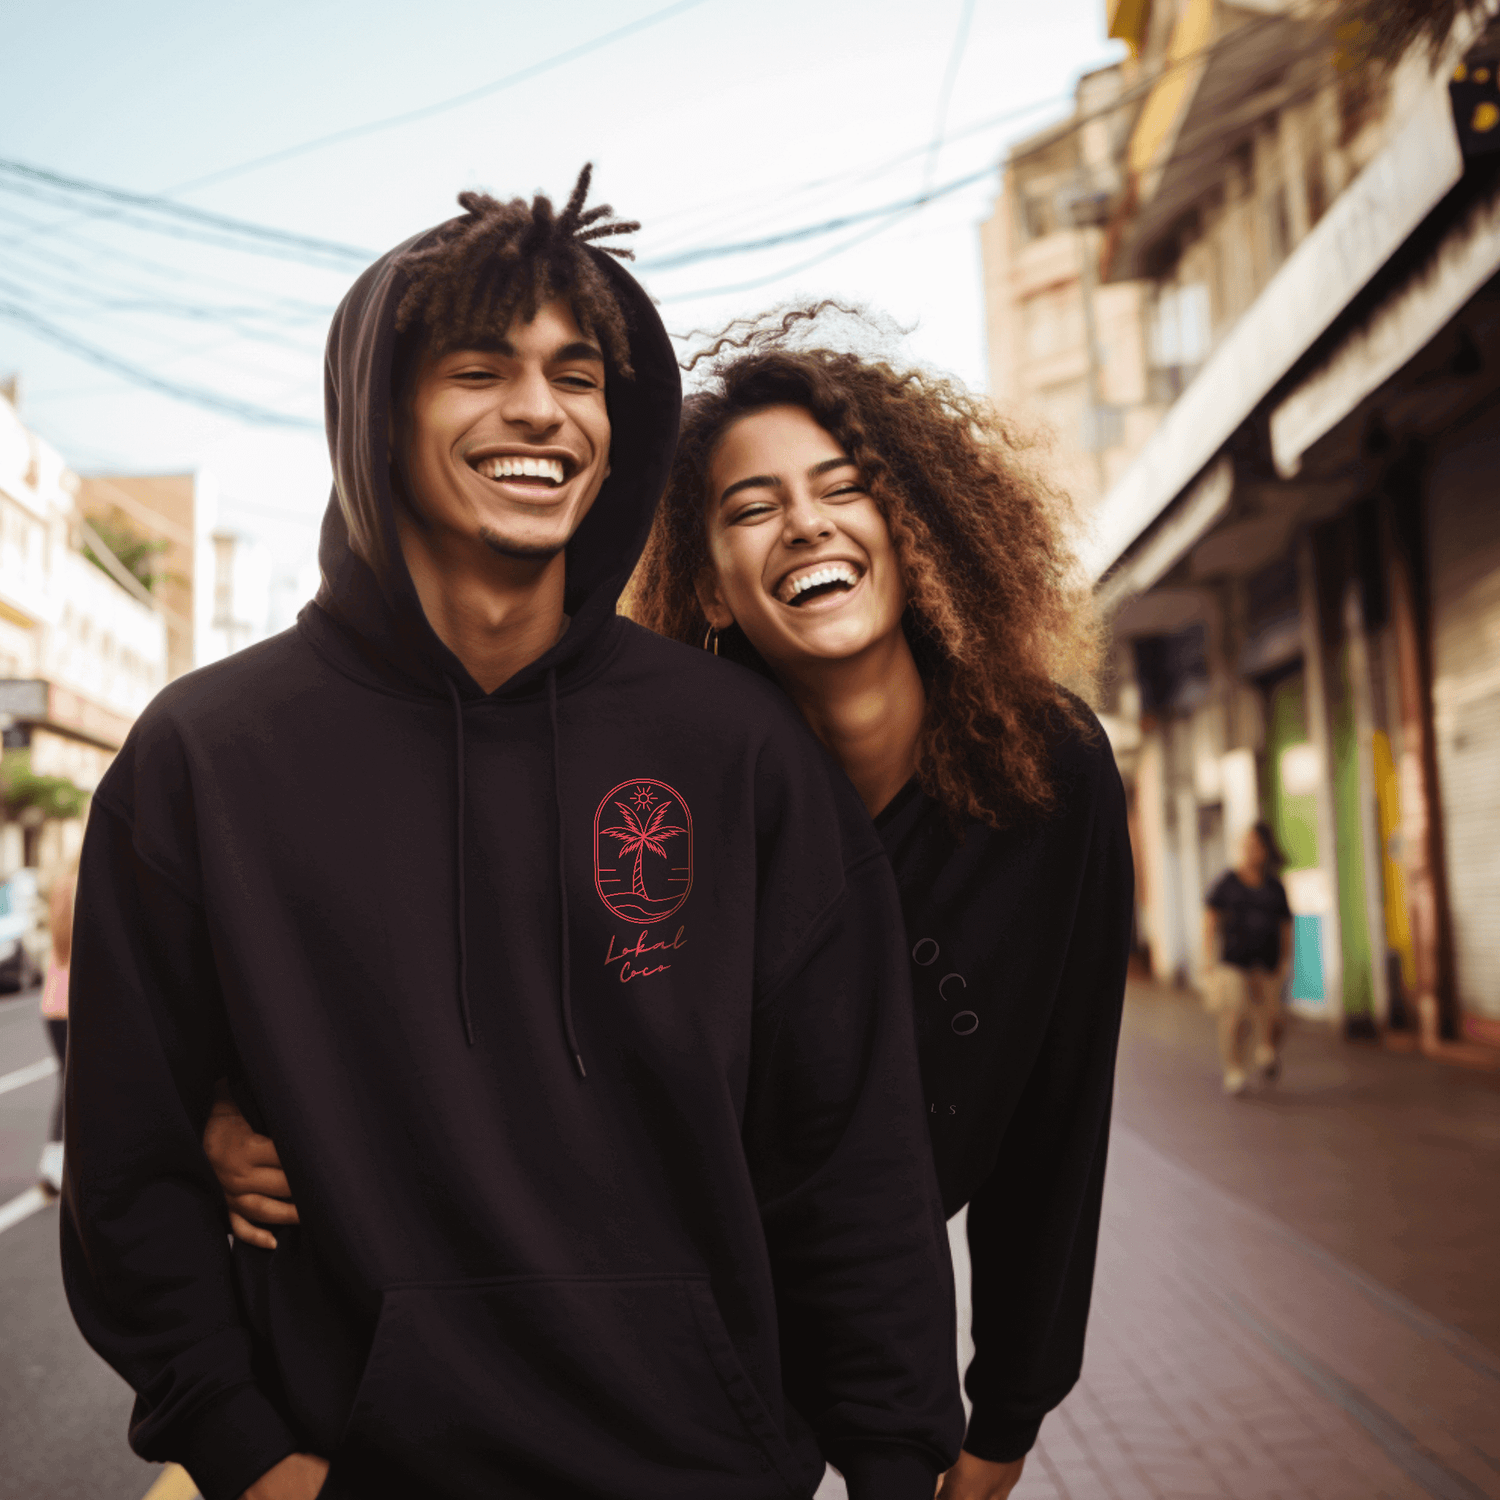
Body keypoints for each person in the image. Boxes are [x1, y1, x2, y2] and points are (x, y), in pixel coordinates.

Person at [62, 176, 963, 1500]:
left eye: (578, 374)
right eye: (480, 369)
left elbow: (855, 1160)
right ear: (382, 414)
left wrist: (893, 1465)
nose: (540, 410)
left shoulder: (739, 753)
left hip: (703, 1471)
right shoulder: (205, 760)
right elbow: (127, 1170)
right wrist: (248, 1456)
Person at [211, 307, 1134, 1500]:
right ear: (703, 576)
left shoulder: (1048, 774)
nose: (804, 522)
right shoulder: (661, 779)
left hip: (868, 1337)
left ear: (919, 522)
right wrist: (219, 1105)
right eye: (749, 507)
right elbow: (418, 985)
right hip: (663, 1353)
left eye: (844, 486)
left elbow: (1062, 1114)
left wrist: (1006, 1409)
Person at [1203, 821, 1293, 1094]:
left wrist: (1286, 961)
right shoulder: (1227, 883)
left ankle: (1266, 1051)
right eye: (1246, 846)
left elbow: (1286, 927)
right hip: (1233, 962)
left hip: (1267, 963)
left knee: (1275, 1019)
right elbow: (1210, 920)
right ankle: (1234, 1068)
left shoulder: (1275, 887)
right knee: (1236, 1014)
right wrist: (1208, 960)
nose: (1250, 852)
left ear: (1265, 850)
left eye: (1255, 847)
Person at [37, 858, 77, 1194]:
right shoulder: (83, 885)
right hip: (74, 1004)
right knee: (74, 1082)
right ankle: (56, 1163)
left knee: (69, 1079)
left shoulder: (63, 884)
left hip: (53, 1002)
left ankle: (56, 1161)